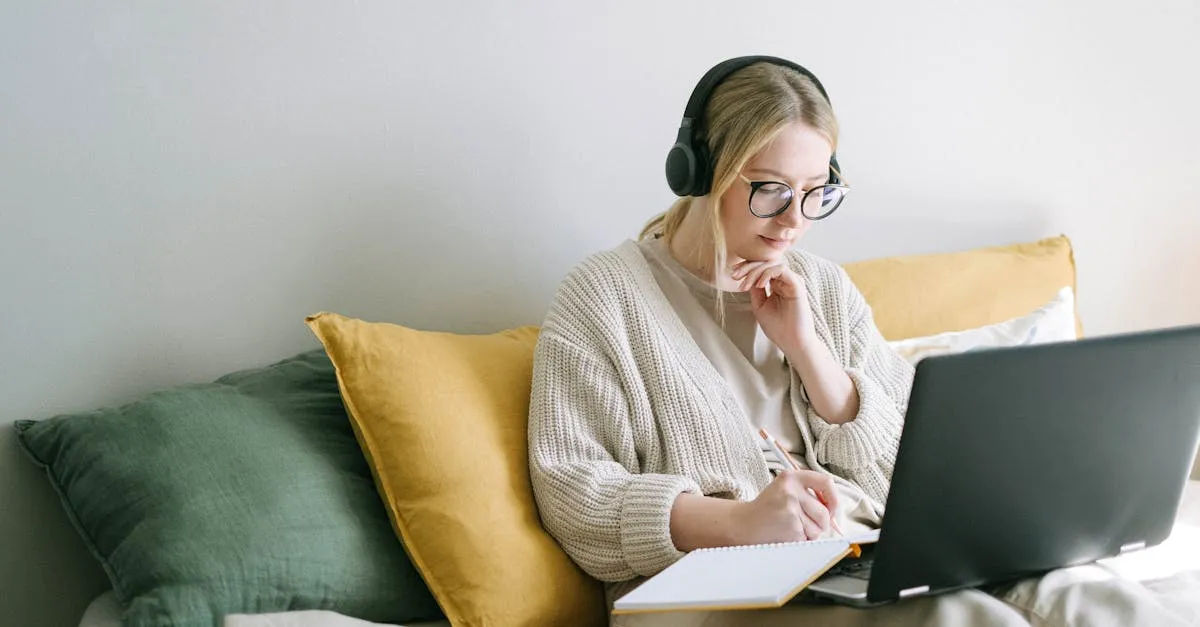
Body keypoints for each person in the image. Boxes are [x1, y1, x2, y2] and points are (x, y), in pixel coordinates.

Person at [527, 57, 1197, 627]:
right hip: (711, 593)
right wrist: (737, 522)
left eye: (818, 193)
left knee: (1087, 593)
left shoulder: (820, 286)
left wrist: (812, 354)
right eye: (771, 191)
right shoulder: (604, 296)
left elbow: (911, 470)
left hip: (854, 555)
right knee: (963, 616)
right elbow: (576, 496)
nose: (795, 220)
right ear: (701, 173)